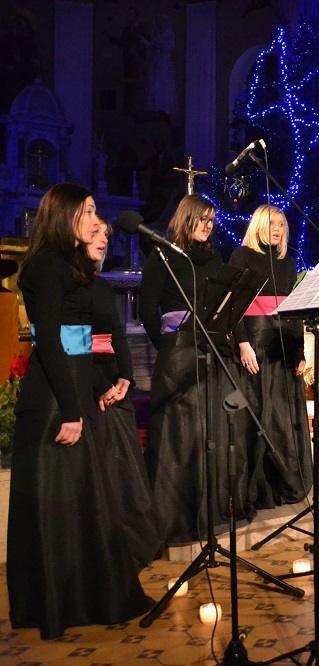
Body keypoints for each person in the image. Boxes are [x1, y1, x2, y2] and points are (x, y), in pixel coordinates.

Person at [7, 183, 150, 639]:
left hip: (75, 389)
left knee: (85, 503)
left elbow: (82, 343)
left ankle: (89, 597)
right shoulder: (46, 266)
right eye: (87, 211)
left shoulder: (74, 268)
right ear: (65, 215)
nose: (96, 219)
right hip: (54, 400)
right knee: (59, 506)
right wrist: (71, 410)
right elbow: (50, 343)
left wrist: (110, 383)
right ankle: (56, 604)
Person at [139, 193, 251, 544]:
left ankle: (213, 509)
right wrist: (168, 345)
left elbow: (228, 305)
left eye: (212, 220)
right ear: (186, 218)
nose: (208, 226)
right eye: (203, 219)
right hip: (179, 354)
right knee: (182, 434)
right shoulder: (163, 255)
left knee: (214, 431)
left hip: (213, 349)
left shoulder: (215, 258)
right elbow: (146, 308)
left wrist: (242, 341)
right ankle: (178, 515)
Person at [89, 217, 160, 568]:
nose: (104, 240)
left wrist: (126, 377)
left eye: (106, 235)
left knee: (127, 467)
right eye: (97, 234)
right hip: (90, 382)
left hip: (115, 382)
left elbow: (117, 334)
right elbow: (70, 344)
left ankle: (133, 542)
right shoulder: (69, 285)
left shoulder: (102, 287)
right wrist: (100, 385)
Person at [229, 204, 312, 507]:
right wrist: (242, 343)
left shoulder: (288, 262)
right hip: (256, 347)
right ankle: (255, 491)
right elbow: (233, 304)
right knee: (257, 418)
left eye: (281, 225)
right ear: (259, 226)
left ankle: (283, 484)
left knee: (282, 420)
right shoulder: (241, 256)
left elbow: (294, 310)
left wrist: (299, 349)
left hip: (283, 349)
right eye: (272, 224)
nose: (278, 229)